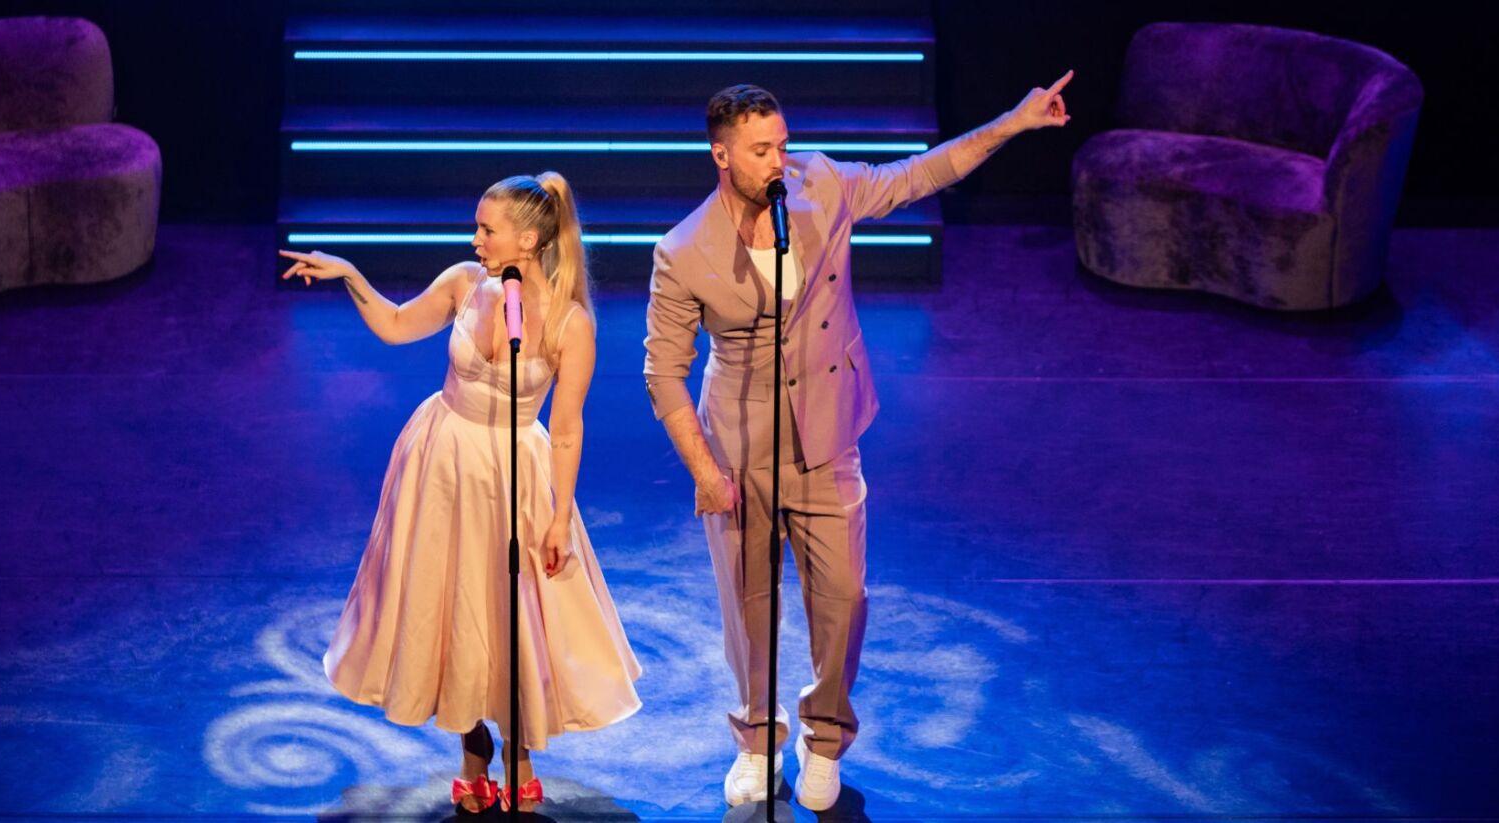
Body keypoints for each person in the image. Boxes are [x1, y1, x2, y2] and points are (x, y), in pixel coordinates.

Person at [642, 75, 1073, 810]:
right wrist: (705, 469)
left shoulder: (826, 182)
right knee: (747, 609)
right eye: (759, 151)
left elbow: (919, 174)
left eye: (781, 143)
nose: (778, 160)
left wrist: (1013, 120)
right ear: (721, 155)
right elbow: (663, 373)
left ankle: (824, 733)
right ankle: (755, 736)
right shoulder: (683, 250)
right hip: (739, 448)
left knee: (842, 598)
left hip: (828, 435)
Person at [281, 172, 640, 814]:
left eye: (487, 229)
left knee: (511, 607)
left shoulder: (569, 320)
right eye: (476, 226)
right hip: (442, 459)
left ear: (527, 240)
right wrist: (351, 276)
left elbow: (566, 427)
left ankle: (519, 749)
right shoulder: (462, 284)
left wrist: (560, 517)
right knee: (449, 602)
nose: (474, 239)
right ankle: (471, 743)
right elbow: (393, 326)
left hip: (512, 474)